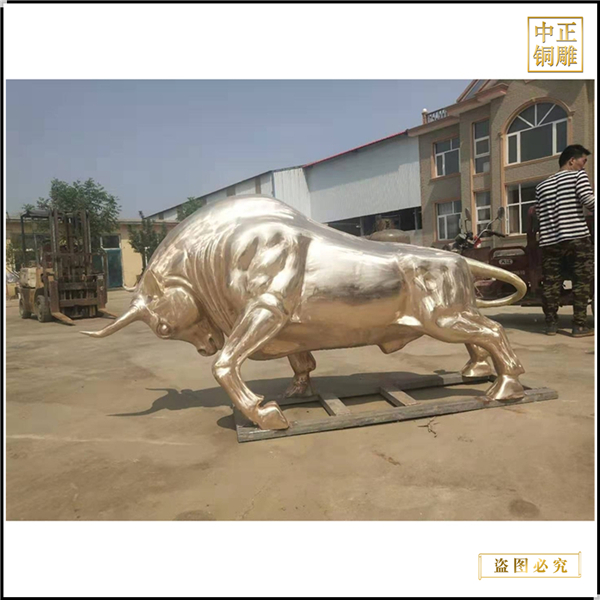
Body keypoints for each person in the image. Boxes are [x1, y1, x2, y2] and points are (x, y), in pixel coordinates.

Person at [535, 144, 595, 337]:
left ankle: (551, 325)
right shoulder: (578, 176)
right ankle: (579, 326)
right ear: (572, 160)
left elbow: (540, 215)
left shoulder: (541, 186)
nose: (584, 165)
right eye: (583, 161)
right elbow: (589, 201)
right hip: (576, 238)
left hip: (549, 241)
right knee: (581, 282)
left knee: (551, 284)